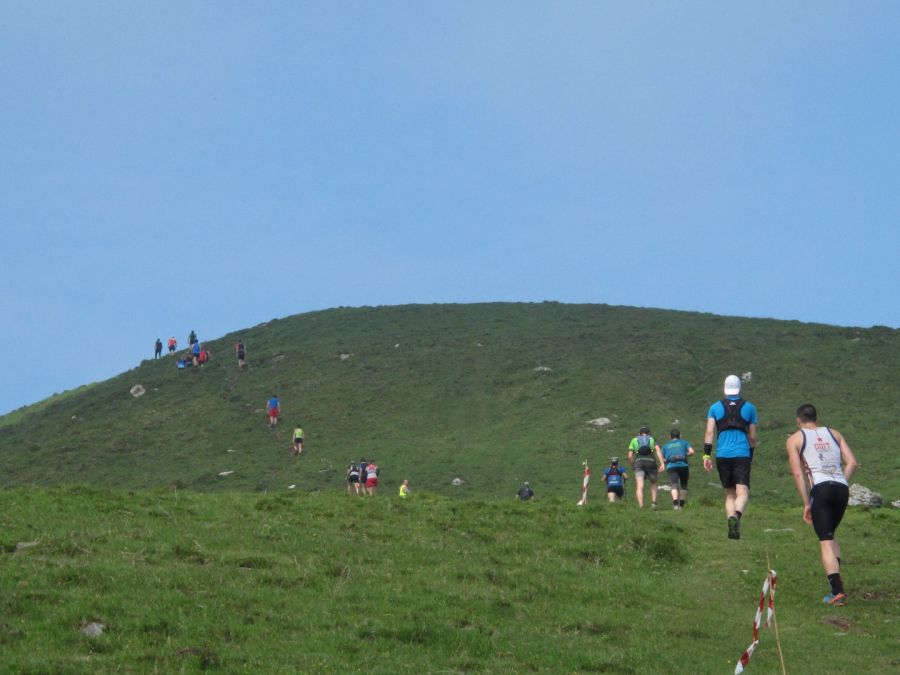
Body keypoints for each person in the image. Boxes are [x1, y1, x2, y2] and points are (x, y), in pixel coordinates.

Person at [786, 404, 858, 606]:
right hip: (841, 488)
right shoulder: (835, 433)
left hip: (820, 488)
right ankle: (838, 586)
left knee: (825, 540)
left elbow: (798, 473)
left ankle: (837, 592)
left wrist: (806, 502)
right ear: (816, 418)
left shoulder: (795, 439)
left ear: (798, 420)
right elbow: (852, 462)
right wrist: (841, 481)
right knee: (831, 536)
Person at [703, 374, 759, 539]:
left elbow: (709, 432)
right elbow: (753, 437)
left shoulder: (714, 407)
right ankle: (736, 516)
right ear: (739, 388)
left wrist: (706, 456)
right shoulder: (750, 408)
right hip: (742, 453)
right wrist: (750, 454)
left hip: (722, 454)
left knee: (729, 493)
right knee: (742, 491)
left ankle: (732, 525)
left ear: (724, 388)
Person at [658, 429, 695, 510]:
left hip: (671, 466)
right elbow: (692, 452)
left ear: (669, 436)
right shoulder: (684, 442)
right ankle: (681, 506)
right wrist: (684, 455)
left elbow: (661, 457)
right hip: (683, 466)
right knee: (684, 485)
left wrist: (666, 461)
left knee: (674, 485)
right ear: (680, 435)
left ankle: (675, 505)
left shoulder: (665, 445)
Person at [628, 426, 659, 509]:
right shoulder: (652, 439)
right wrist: (662, 463)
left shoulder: (634, 440)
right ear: (649, 433)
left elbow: (630, 455)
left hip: (638, 463)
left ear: (639, 434)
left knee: (639, 485)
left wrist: (632, 464)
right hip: (651, 462)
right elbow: (658, 450)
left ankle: (641, 506)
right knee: (653, 482)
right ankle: (653, 503)